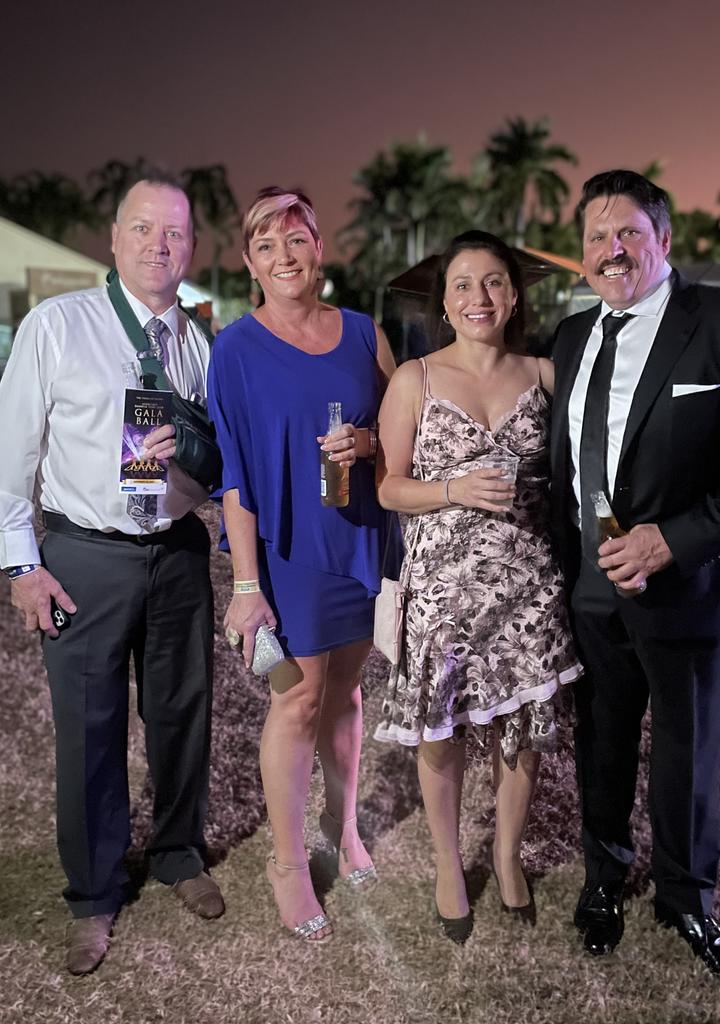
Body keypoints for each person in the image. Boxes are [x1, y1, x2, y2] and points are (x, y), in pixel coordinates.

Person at [0, 175, 224, 977]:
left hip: (178, 553)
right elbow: (11, 456)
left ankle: (175, 852)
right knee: (89, 727)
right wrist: (23, 567)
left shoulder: (200, 343)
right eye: (143, 229)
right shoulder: (58, 326)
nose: (159, 245)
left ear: (191, 247)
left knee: (182, 715)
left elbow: (216, 462)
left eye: (174, 233)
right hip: (85, 553)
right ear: (114, 238)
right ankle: (93, 892)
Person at [549, 169, 720, 986]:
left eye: (629, 233)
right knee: (602, 744)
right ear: (581, 258)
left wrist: (668, 542)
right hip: (591, 586)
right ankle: (605, 878)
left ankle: (686, 896)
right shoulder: (571, 339)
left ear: (664, 241)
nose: (613, 251)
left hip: (690, 587)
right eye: (597, 238)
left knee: (686, 752)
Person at [375, 231, 580, 943]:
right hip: (442, 591)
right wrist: (452, 487)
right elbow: (388, 487)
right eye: (463, 285)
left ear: (514, 294)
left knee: (523, 731)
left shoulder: (547, 374)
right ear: (445, 301)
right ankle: (445, 865)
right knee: (444, 732)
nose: (478, 298)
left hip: (529, 590)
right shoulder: (416, 378)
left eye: (493, 282)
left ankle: (507, 854)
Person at [207, 186, 399, 943]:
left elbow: (402, 431)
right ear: (250, 262)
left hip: (358, 536)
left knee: (347, 694)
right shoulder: (236, 348)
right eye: (265, 246)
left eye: (296, 240)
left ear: (319, 248)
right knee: (297, 698)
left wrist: (372, 445)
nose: (283, 256)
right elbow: (234, 476)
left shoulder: (362, 333)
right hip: (287, 552)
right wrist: (246, 584)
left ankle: (340, 824)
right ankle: (288, 863)